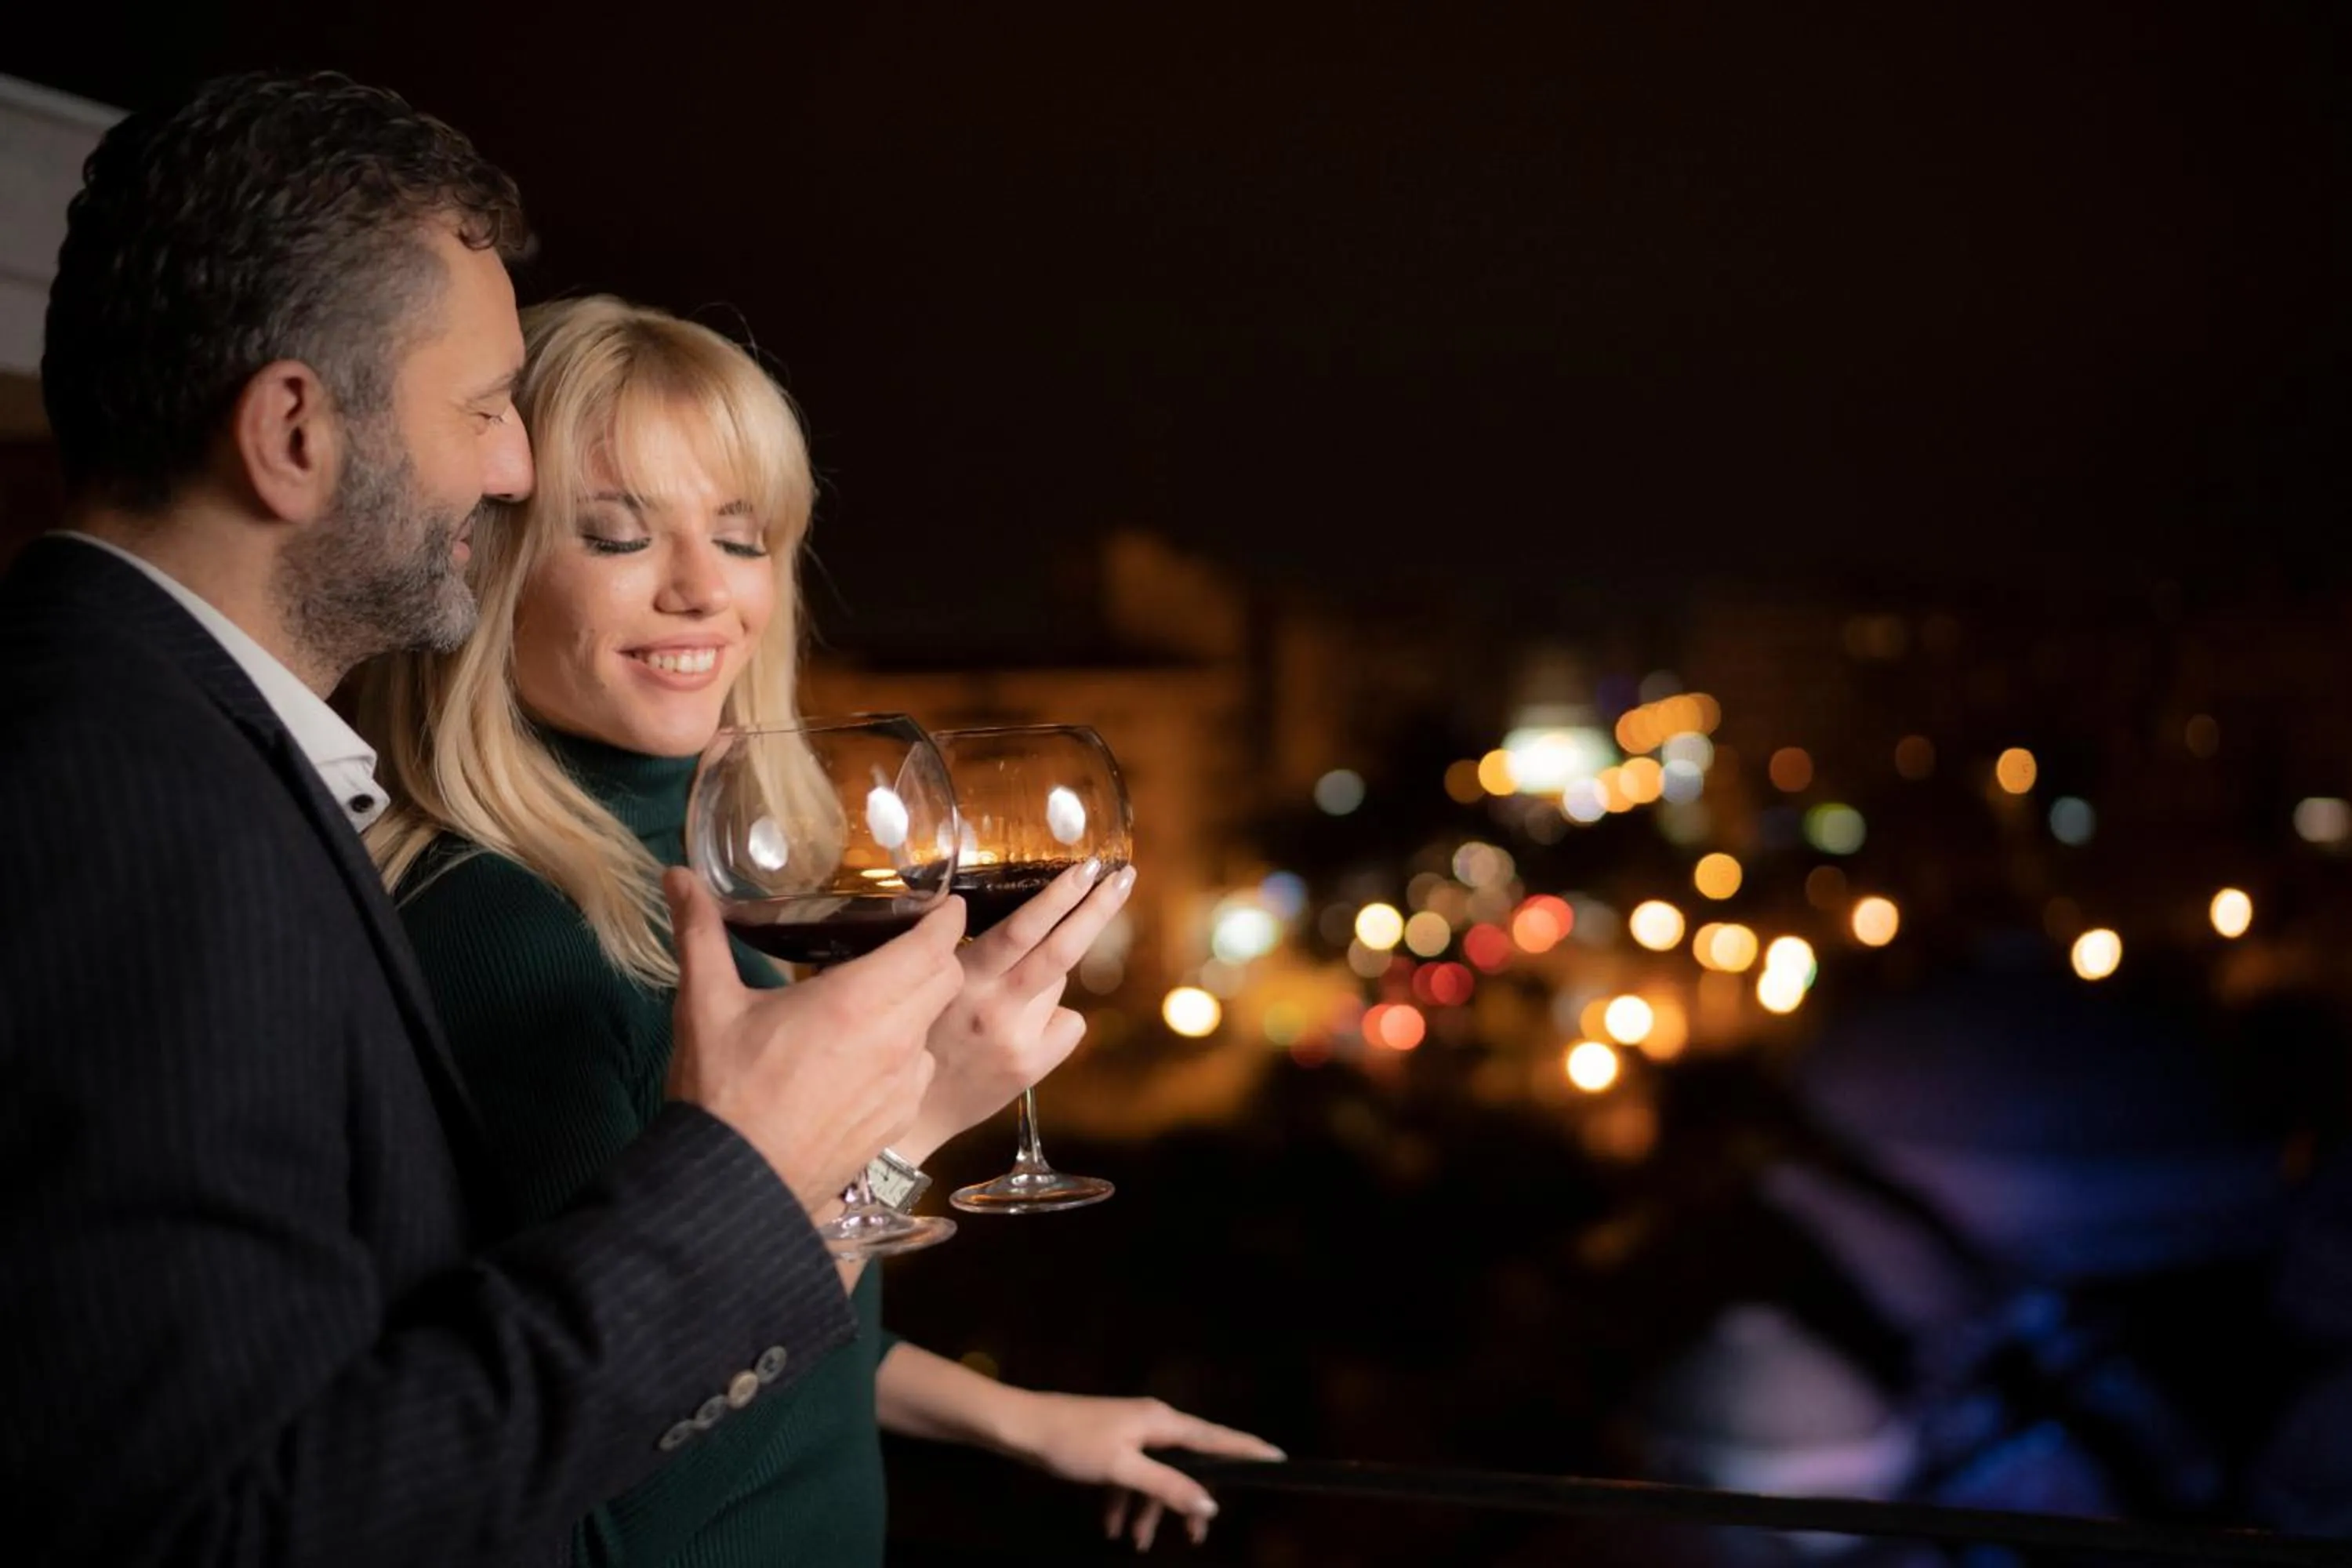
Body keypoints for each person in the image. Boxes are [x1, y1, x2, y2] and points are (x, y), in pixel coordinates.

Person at [0, 71, 971, 1567]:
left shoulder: (190, 756)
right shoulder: (131, 805)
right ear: (293, 434)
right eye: (479, 412)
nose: (509, 468)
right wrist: (773, 1172)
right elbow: (226, 1523)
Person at [358, 292, 1283, 1562]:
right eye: (619, 535)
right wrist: (909, 1123)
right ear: (484, 557)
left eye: (741, 538)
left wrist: (1011, 1417)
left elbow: (744, 1320)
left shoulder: (699, 871)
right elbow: (632, 1488)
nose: (701, 593)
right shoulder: (500, 926)